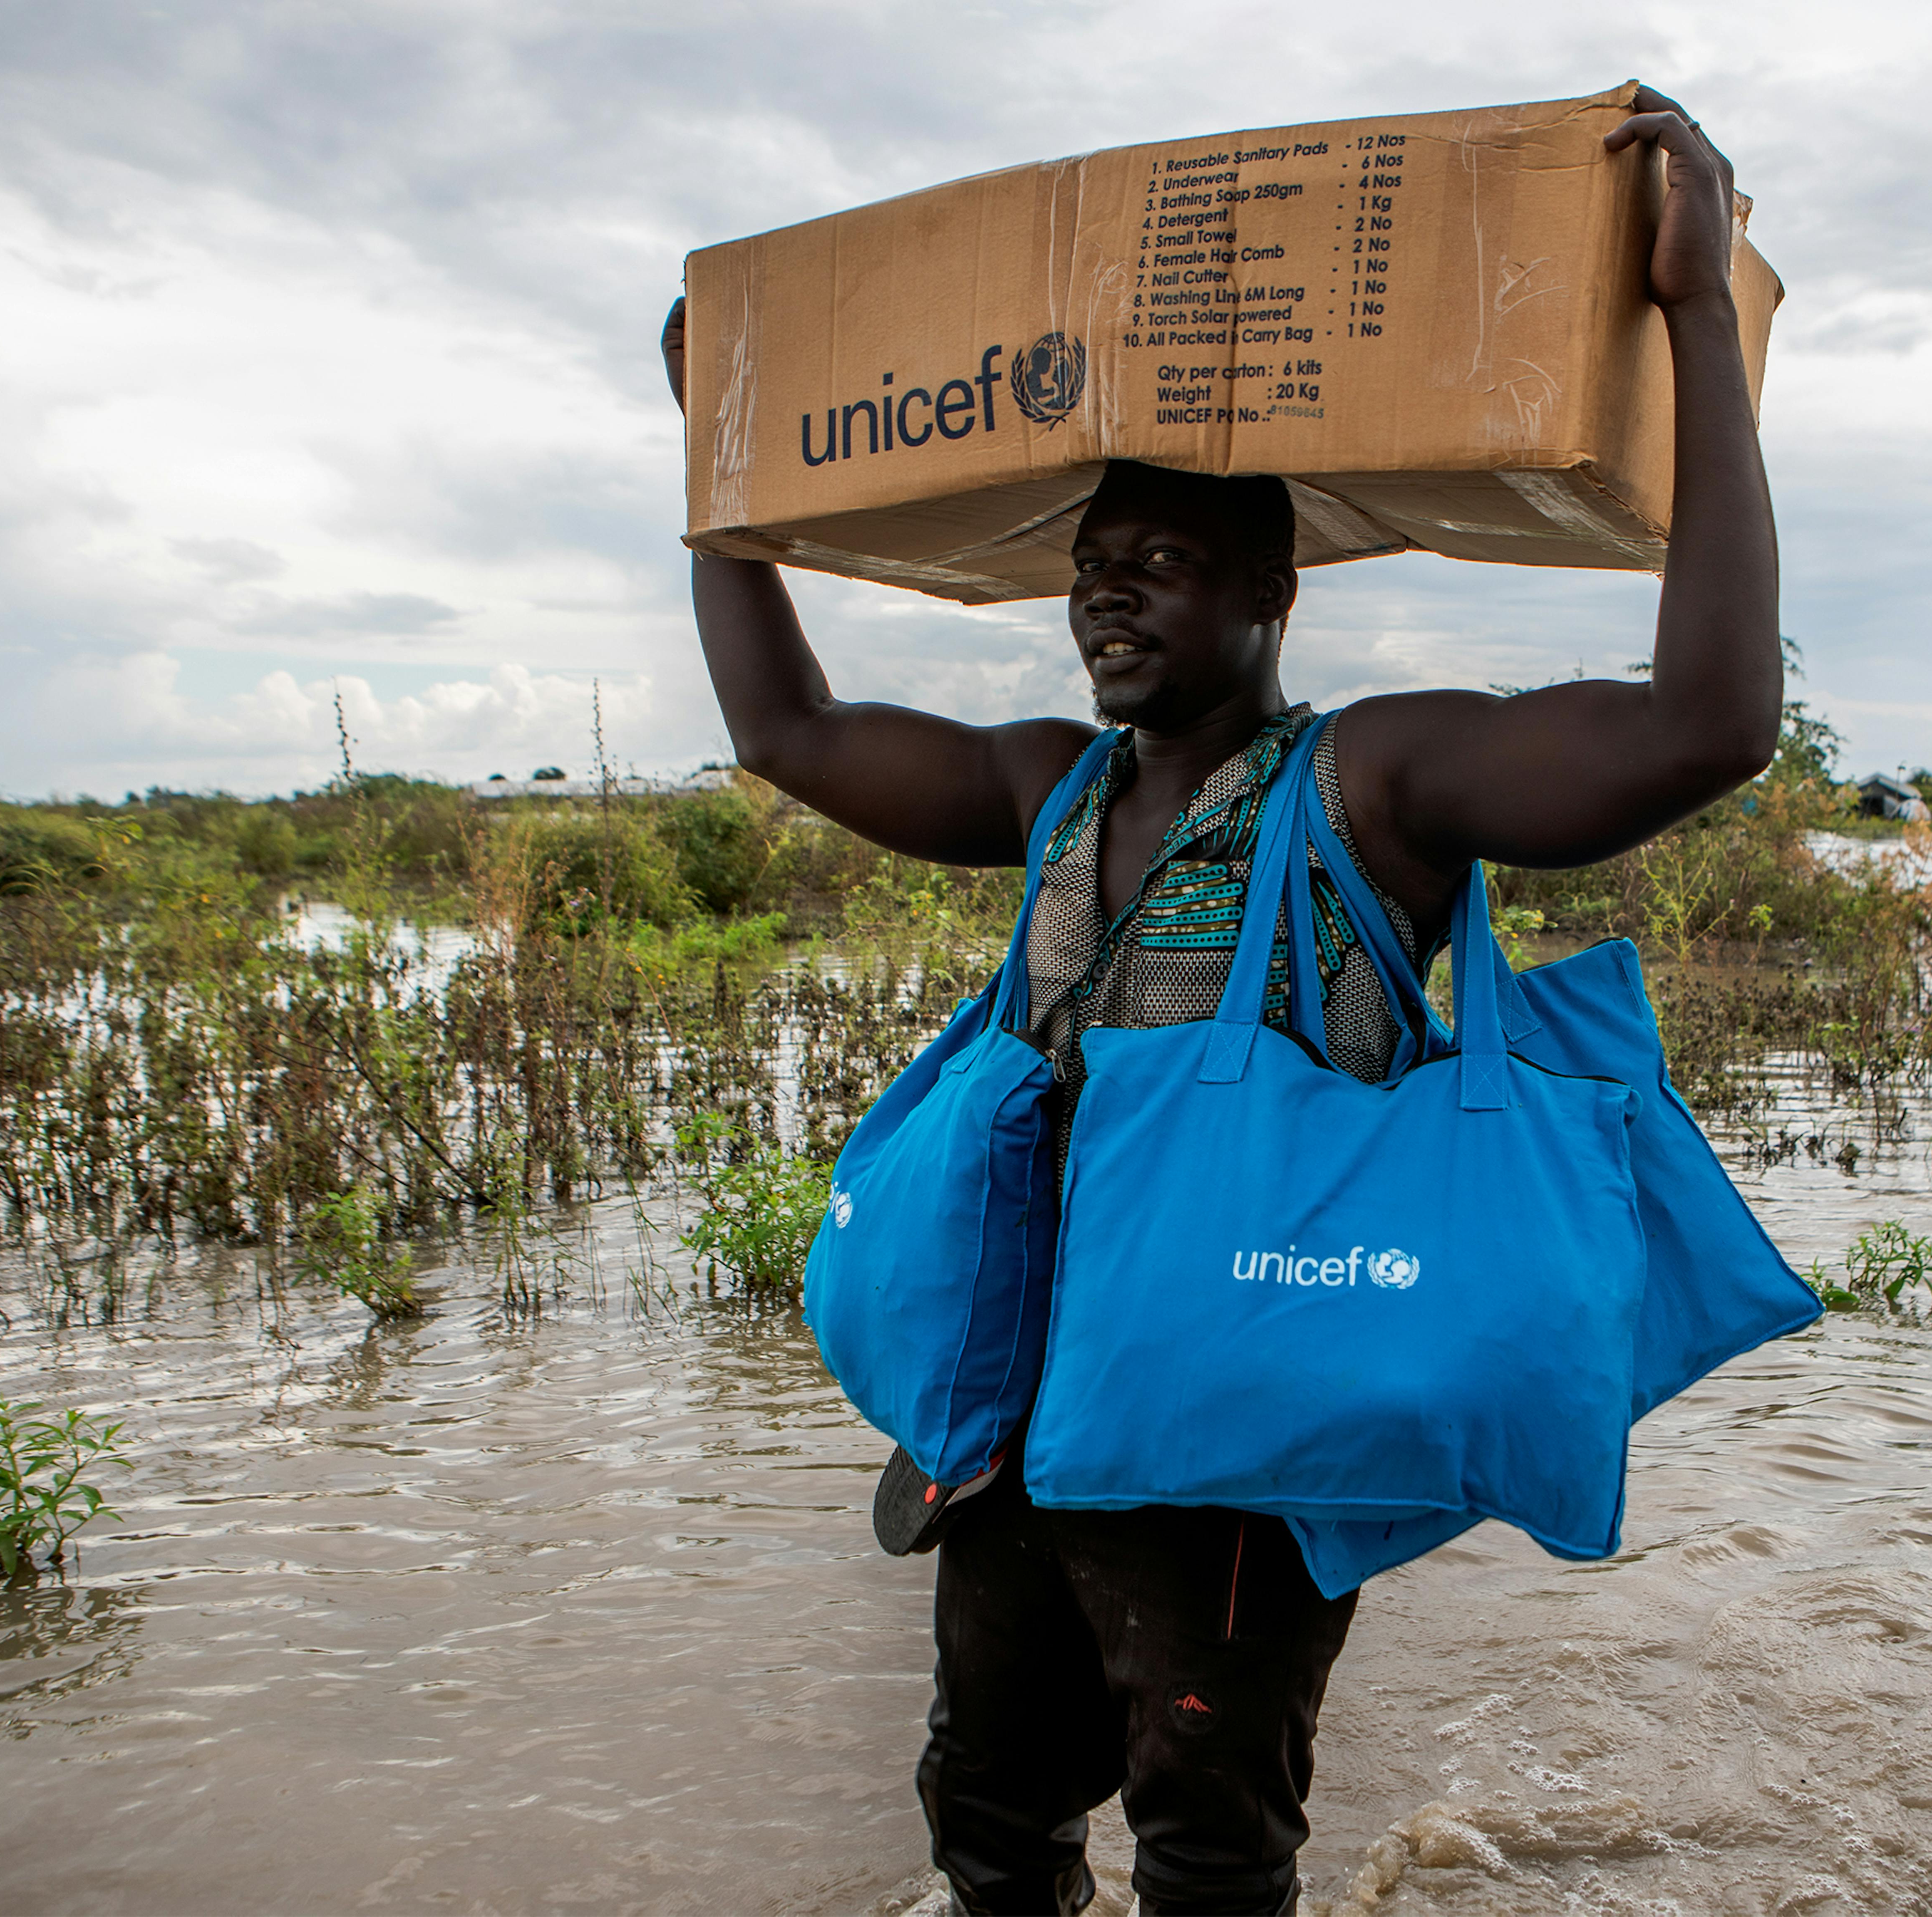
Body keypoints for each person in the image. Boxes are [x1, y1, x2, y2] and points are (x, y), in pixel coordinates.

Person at [663, 88, 1774, 1917]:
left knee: (1206, 1852)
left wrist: (1694, 319)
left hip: (1239, 1453)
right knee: (987, 1819)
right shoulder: (1051, 792)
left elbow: (1703, 727)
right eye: (1090, 575)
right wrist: (716, 466)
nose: (1105, 604)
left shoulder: (1373, 787)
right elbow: (786, 732)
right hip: (1018, 1437)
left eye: (1156, 570)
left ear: (1269, 593)